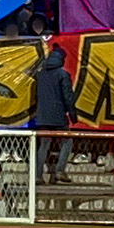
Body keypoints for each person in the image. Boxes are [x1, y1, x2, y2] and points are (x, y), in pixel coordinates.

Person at [31, 47, 73, 184]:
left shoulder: (40, 75)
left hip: (42, 115)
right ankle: (60, 170)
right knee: (67, 141)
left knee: (44, 144)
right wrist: (72, 114)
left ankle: (37, 176)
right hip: (58, 115)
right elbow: (67, 97)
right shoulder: (62, 74)